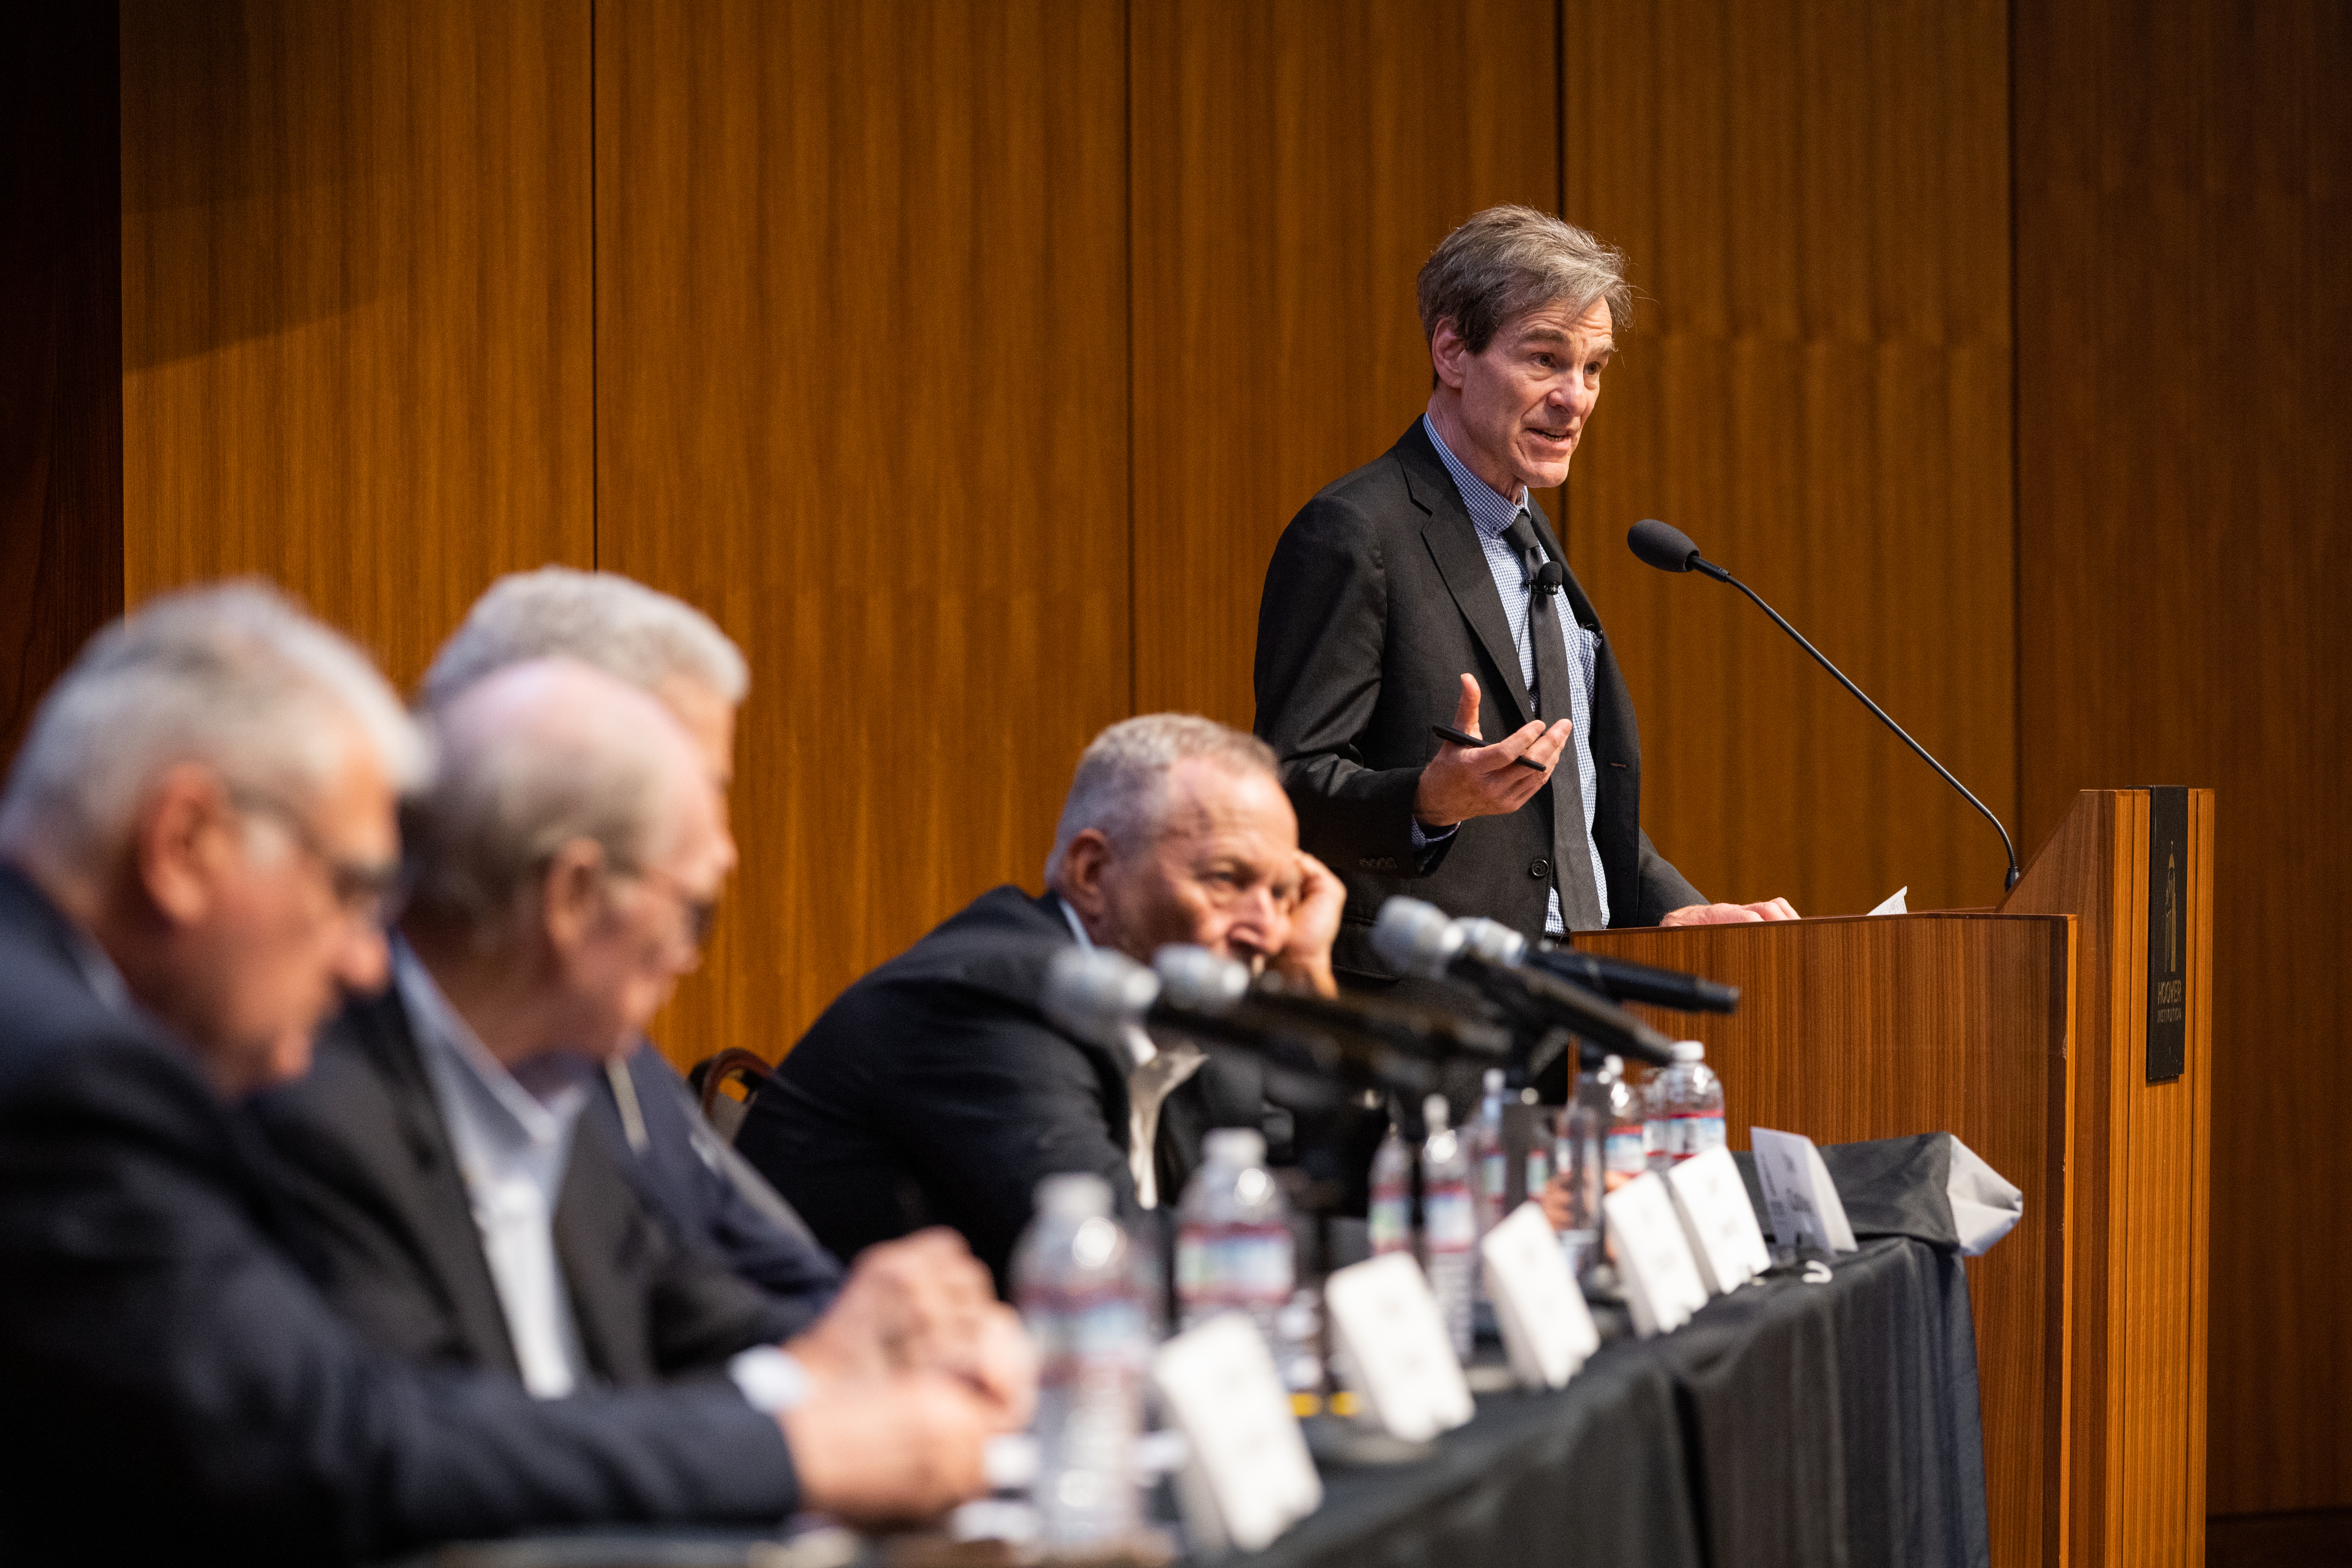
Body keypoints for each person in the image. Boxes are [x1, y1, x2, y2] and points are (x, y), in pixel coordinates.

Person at [0, 586, 997, 1564]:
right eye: (350, 888)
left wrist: (845, 1365)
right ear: (186, 845)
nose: (363, 957)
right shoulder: (76, 1078)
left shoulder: (570, 1089)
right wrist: (795, 1446)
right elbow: (335, 1440)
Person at [255, 658, 1031, 1421]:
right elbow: (439, 1451)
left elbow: (696, 1311)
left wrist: (901, 1341)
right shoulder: (321, 1101)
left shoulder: (571, 1086)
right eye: (693, 913)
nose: (689, 957)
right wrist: (798, 1414)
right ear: (573, 896)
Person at [1254, 205, 1796, 988]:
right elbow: (1285, 786)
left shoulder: (1532, 542)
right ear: (1451, 350)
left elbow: (1565, 814)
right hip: (1429, 1024)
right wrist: (1424, 801)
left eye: (1595, 368)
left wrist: (1671, 911)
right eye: (1545, 360)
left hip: (1569, 1014)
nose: (1575, 398)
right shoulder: (1356, 534)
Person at [735, 715, 1345, 1289]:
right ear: (1090, 872)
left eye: (1283, 893)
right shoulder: (995, 1000)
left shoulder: (1188, 1019)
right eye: (1226, 880)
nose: (1267, 929)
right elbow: (1114, 1259)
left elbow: (1337, 1188)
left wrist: (1306, 975)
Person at [419, 566, 841, 1310]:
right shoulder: (325, 1063)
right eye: (694, 785)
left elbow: (737, 1291)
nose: (721, 847)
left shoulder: (599, 1051)